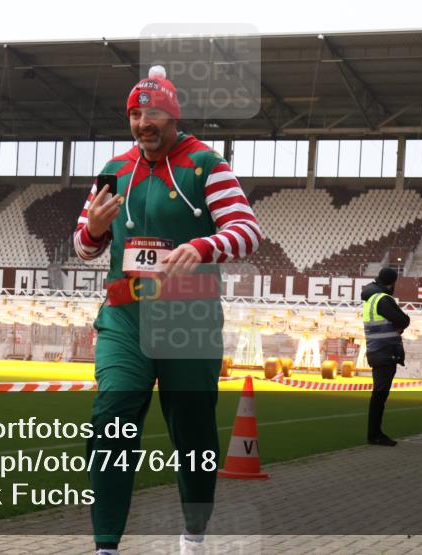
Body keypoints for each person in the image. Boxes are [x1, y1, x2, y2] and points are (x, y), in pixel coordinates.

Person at [74, 65, 262, 555]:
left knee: (195, 436)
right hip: (125, 319)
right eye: (135, 114)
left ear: (172, 114)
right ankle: (106, 546)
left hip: (189, 321)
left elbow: (246, 231)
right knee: (111, 416)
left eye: (151, 112)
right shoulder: (113, 171)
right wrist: (92, 230)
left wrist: (202, 247)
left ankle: (193, 537)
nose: (142, 122)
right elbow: (83, 246)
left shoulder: (207, 166)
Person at [360, 267, 410, 446]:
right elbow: (404, 320)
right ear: (391, 282)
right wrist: (401, 324)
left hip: (376, 350)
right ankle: (374, 434)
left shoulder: (371, 299)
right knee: (379, 395)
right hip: (385, 352)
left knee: (379, 395)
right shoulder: (383, 299)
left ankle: (375, 433)